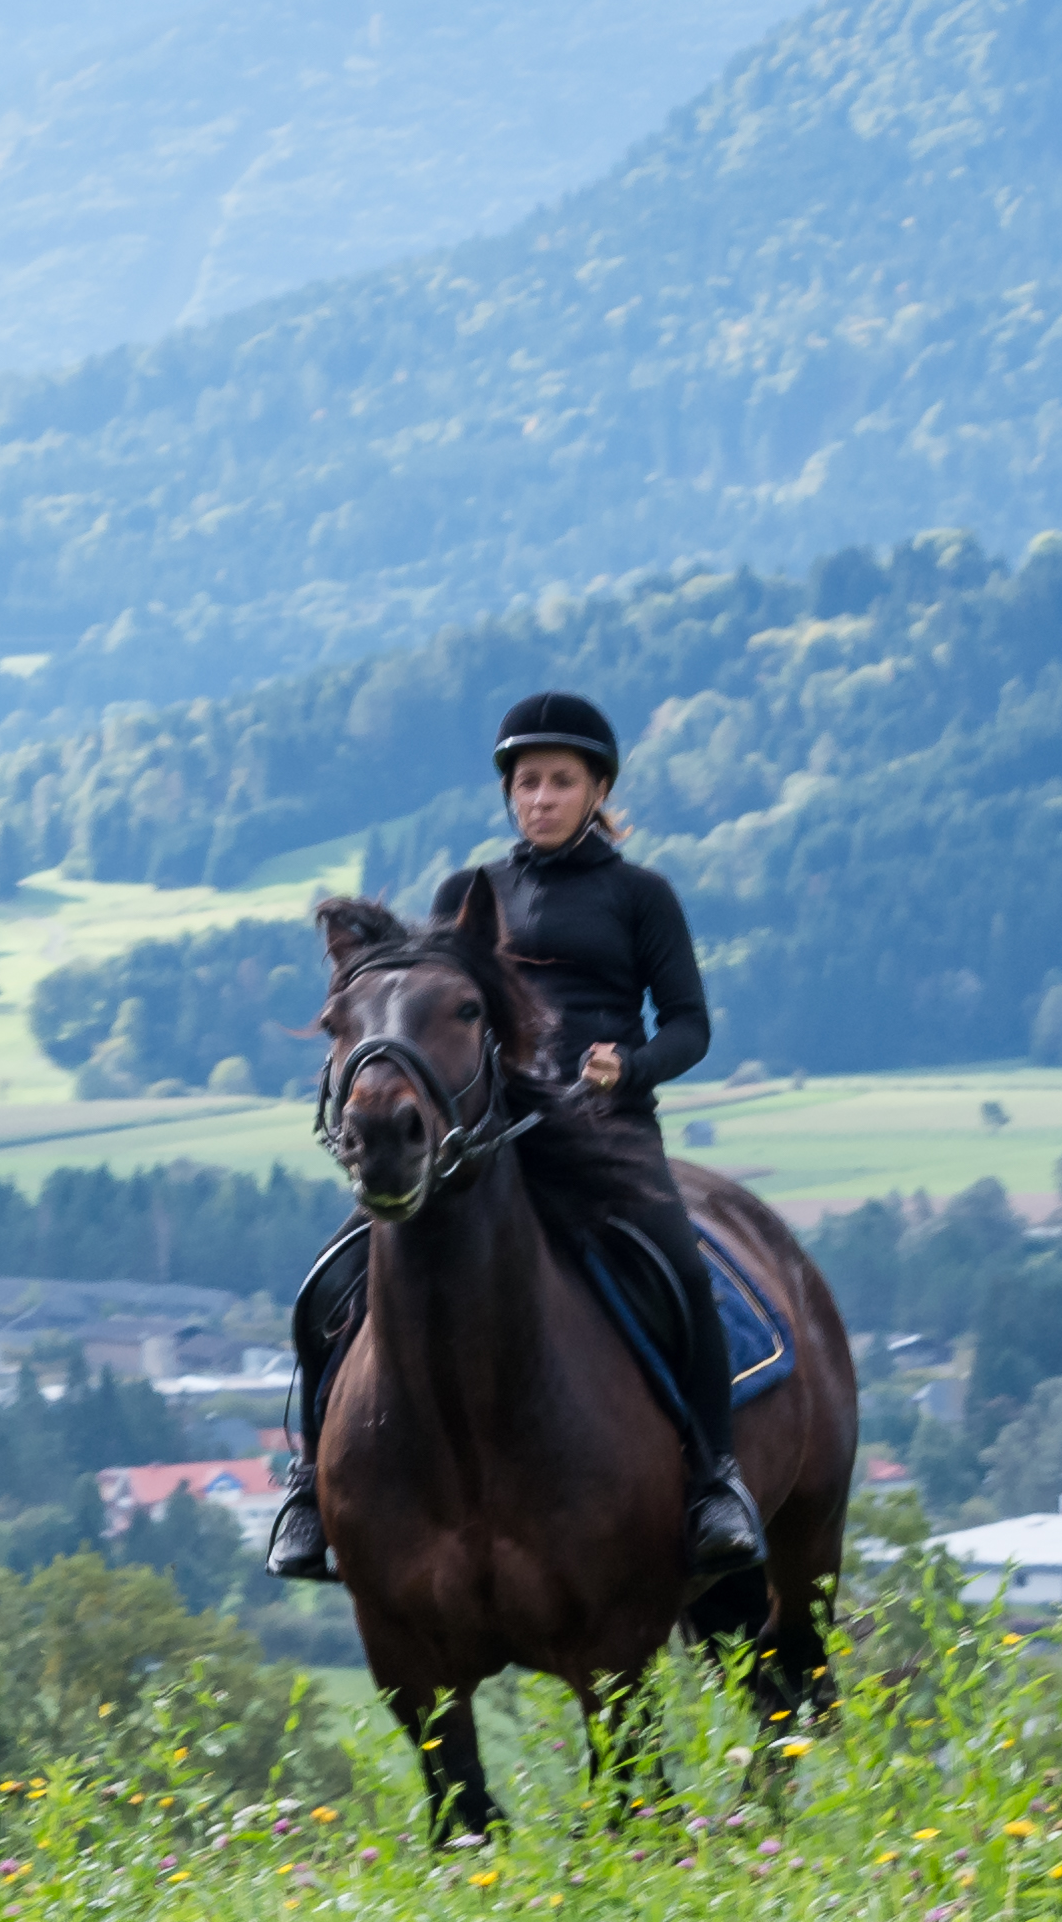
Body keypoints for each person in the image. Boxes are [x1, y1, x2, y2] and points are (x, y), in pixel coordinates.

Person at [260, 687, 766, 1616]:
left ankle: (714, 1481)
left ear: (598, 788)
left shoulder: (641, 897)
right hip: (489, 1124)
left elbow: (691, 1026)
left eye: (561, 782)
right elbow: (435, 1008)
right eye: (527, 782)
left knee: (680, 1274)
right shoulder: (469, 896)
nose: (540, 798)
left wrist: (634, 1066)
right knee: (336, 1281)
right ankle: (308, 1485)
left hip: (605, 1126)